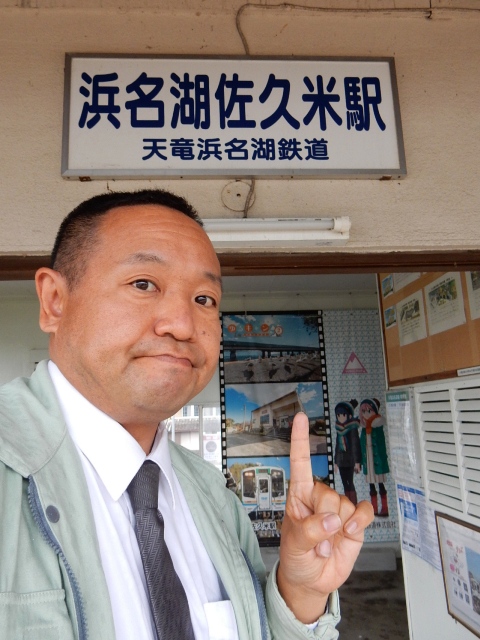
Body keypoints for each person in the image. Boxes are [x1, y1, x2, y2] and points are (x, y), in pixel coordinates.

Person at [0, 189, 374, 640]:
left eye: (204, 299)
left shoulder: (214, 497)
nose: (181, 325)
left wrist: (300, 595)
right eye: (143, 284)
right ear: (55, 301)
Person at [359, 397, 390, 517]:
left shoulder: (378, 424)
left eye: (369, 411)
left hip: (378, 461)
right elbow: (361, 445)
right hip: (368, 460)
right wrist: (360, 462)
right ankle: (374, 510)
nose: (366, 414)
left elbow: (381, 444)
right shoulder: (364, 428)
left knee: (381, 484)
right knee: (371, 485)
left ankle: (385, 508)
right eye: (363, 411)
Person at [334, 400, 361, 506]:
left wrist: (357, 462)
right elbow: (337, 446)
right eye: (338, 415)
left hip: (350, 461)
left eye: (343, 415)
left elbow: (355, 445)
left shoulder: (352, 428)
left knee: (350, 482)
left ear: (349, 415)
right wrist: (336, 462)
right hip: (341, 461)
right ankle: (348, 505)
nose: (341, 417)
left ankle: (353, 504)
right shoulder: (339, 429)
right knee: (345, 483)